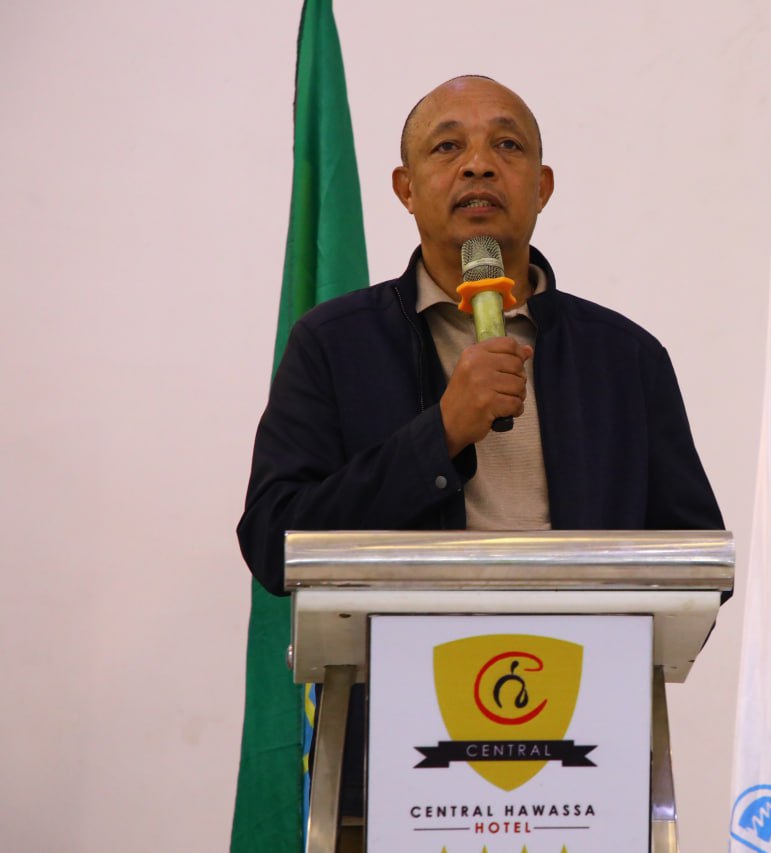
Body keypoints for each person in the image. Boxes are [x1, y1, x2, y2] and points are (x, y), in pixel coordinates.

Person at [236, 75, 722, 829]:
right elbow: (274, 537)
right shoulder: (334, 345)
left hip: (584, 761)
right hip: (392, 769)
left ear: (542, 187)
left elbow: (694, 555)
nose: (478, 164)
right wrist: (440, 434)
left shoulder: (625, 357)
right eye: (447, 147)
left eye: (507, 145)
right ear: (405, 188)